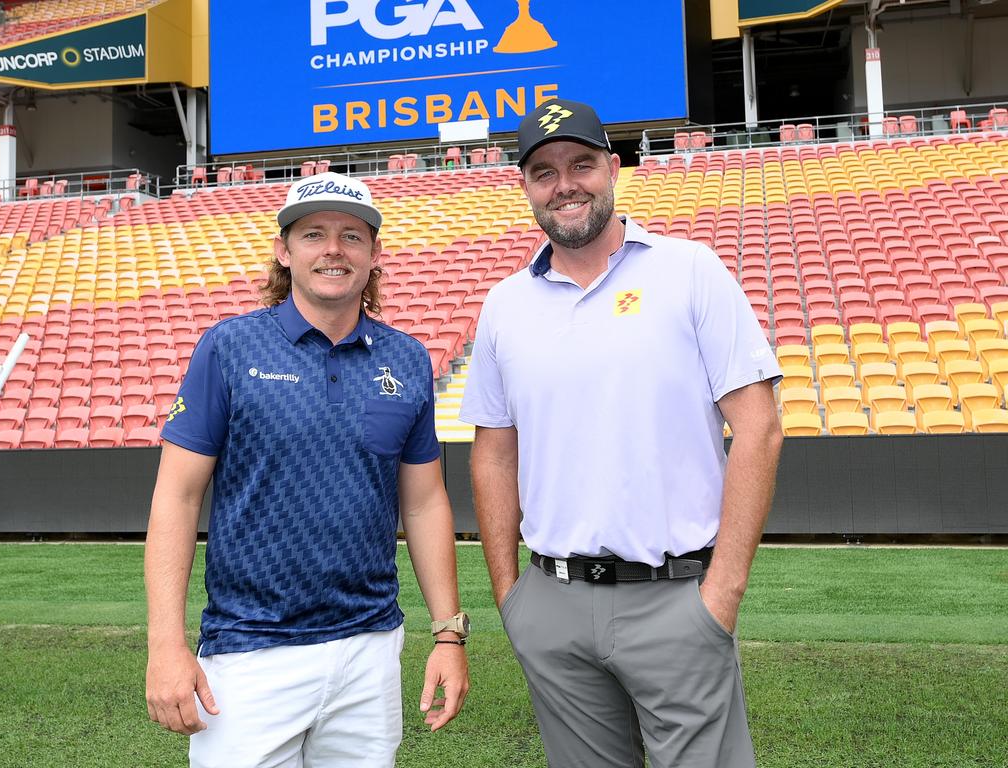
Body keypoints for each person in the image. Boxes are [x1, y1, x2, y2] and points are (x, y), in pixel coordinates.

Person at [460, 100, 783, 768]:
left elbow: (760, 428)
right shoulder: (504, 305)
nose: (565, 184)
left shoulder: (689, 270)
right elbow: (494, 451)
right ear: (525, 187)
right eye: (544, 172)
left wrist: (722, 593)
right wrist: (510, 596)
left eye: (582, 164)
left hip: (677, 598)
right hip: (552, 601)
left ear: (613, 168)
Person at [145, 171, 469, 768]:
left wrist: (448, 633)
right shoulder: (230, 347)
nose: (333, 250)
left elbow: (423, 503)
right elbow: (176, 498)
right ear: (283, 250)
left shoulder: (407, 357)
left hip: (370, 650)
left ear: (374, 254)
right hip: (248, 652)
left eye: (352, 236)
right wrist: (165, 644)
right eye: (313, 233)